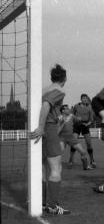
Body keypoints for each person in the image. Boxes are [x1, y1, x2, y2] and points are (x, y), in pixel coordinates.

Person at [30, 64, 71, 215]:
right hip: (48, 128)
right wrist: (41, 127)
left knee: (41, 167)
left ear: (52, 77)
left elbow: (45, 104)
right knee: (56, 168)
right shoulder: (59, 90)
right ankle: (53, 206)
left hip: (42, 127)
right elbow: (47, 105)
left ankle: (41, 203)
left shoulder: (45, 89)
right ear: (65, 78)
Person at [58, 104, 92, 170]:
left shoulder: (71, 116)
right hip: (62, 137)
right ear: (63, 111)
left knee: (82, 151)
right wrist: (62, 123)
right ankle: (56, 167)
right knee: (59, 152)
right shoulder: (59, 118)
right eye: (67, 109)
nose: (69, 110)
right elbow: (58, 131)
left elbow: (78, 119)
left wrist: (80, 119)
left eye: (68, 108)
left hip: (71, 137)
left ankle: (85, 167)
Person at [68, 94, 96, 168]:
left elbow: (91, 119)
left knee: (89, 143)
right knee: (74, 142)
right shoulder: (76, 106)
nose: (85, 99)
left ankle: (92, 160)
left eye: (86, 98)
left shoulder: (89, 107)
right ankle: (70, 161)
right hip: (77, 125)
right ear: (81, 99)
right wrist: (75, 119)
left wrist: (88, 124)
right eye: (84, 98)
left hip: (85, 126)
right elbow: (71, 115)